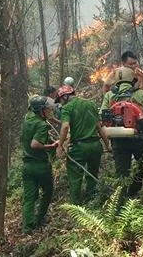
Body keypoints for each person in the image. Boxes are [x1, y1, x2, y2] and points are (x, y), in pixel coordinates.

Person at [101, 67, 143, 199]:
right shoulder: (141, 94)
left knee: (121, 173)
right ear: (132, 78)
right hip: (140, 138)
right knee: (140, 166)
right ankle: (134, 193)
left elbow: (102, 117)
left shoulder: (109, 95)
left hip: (118, 139)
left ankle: (119, 200)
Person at [56, 83, 111, 204]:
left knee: (75, 178)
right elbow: (99, 127)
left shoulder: (67, 108)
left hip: (79, 148)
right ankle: (92, 202)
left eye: (60, 100)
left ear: (65, 97)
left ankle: (76, 206)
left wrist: (60, 145)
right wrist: (107, 145)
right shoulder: (90, 104)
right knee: (93, 174)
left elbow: (65, 127)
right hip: (95, 146)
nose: (61, 103)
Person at [21, 95, 58, 233]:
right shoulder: (42, 125)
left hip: (27, 166)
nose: (49, 111)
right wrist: (51, 146)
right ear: (41, 110)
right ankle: (39, 218)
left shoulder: (27, 121)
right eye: (47, 109)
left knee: (29, 197)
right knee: (48, 192)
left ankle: (27, 228)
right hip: (40, 166)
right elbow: (35, 144)